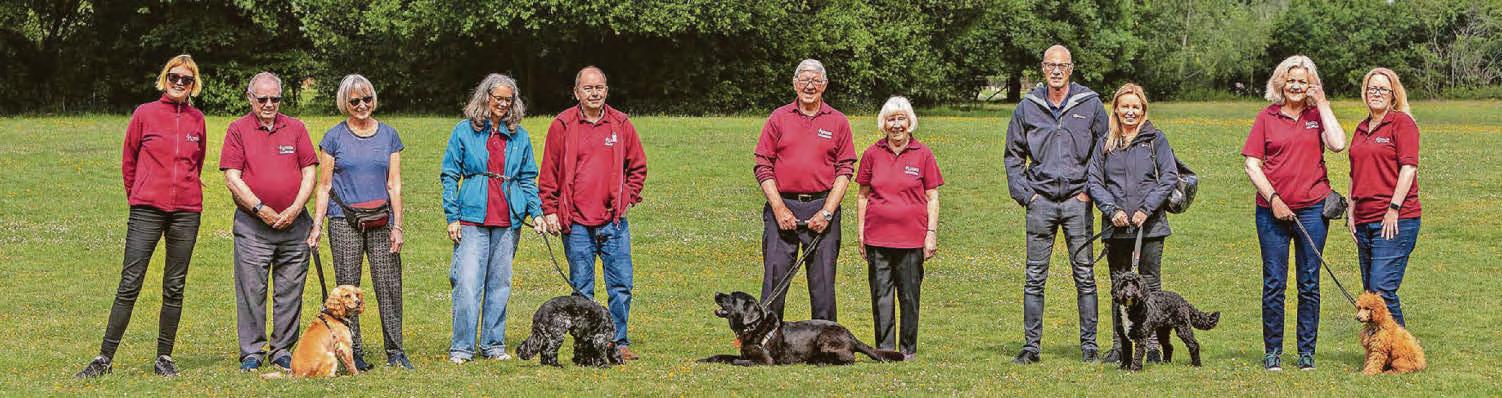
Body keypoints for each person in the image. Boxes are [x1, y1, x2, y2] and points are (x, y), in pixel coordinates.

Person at [76, 54, 207, 378]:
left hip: (186, 212)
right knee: (130, 283)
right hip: (146, 209)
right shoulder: (144, 114)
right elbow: (129, 161)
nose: (179, 83)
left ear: (193, 85)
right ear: (164, 79)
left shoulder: (197, 120)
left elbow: (197, 162)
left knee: (174, 286)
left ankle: (164, 357)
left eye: (186, 80)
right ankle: (104, 358)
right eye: (173, 77)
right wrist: (139, 196)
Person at [1003, 45, 1109, 364]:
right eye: (1051, 65)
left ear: (1072, 68)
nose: (1057, 71)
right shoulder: (1027, 107)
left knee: (1085, 275)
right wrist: (1027, 195)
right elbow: (1012, 155)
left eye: (1062, 65)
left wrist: (1090, 191)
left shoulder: (1089, 104)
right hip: (1041, 201)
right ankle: (1031, 346)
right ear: (1043, 69)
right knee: (1035, 276)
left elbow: (1104, 150)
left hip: (1078, 201)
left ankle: (1089, 345)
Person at [1242, 55, 1346, 371]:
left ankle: (1306, 353)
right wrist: (1273, 198)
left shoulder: (1317, 115)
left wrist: (1323, 103)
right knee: (1274, 282)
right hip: (1271, 211)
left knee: (1309, 282)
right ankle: (1273, 350)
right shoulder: (1267, 117)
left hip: (1313, 209)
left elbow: (1339, 144)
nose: (1296, 86)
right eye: (1291, 81)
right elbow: (1251, 163)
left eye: (1303, 81)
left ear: (1311, 84)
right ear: (1280, 83)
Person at [538, 66, 648, 361]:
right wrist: (549, 209)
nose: (595, 93)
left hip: (613, 222)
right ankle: (586, 345)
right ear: (576, 92)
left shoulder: (621, 124)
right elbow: (548, 173)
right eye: (588, 88)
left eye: (599, 87)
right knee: (582, 290)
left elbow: (638, 167)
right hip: (575, 224)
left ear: (606, 91)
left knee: (621, 286)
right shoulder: (562, 125)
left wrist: (627, 198)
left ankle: (618, 341)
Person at [306, 74, 412, 370]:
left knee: (389, 285)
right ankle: (356, 352)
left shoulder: (389, 135)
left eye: (367, 99)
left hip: (381, 220)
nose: (362, 105)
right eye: (355, 101)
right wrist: (317, 226)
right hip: (344, 222)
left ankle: (396, 351)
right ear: (345, 104)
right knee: (348, 290)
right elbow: (324, 186)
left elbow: (395, 184)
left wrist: (398, 225)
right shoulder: (334, 137)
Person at [440, 73, 545, 364]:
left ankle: (493, 345)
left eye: (507, 100)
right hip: (472, 217)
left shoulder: (519, 136)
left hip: (508, 219)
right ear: (485, 97)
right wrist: (452, 216)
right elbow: (449, 175)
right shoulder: (463, 131)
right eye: (497, 98)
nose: (502, 104)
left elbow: (527, 178)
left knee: (500, 285)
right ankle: (462, 347)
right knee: (468, 282)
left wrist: (535, 213)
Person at [221, 72, 320, 372]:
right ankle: (251, 351)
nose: (268, 104)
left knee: (290, 289)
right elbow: (232, 177)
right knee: (252, 288)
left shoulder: (296, 128)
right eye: (262, 98)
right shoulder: (237, 129)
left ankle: (282, 349)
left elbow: (310, 172)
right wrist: (260, 208)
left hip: (294, 224)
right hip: (253, 226)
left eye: (274, 98)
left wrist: (295, 208)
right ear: (250, 98)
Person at [753, 59, 856, 322]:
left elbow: (845, 170)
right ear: (795, 83)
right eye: (804, 80)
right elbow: (763, 164)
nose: (809, 86)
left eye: (815, 81)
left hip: (822, 207)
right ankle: (767, 343)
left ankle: (827, 346)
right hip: (783, 207)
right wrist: (779, 208)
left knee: (823, 285)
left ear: (825, 85)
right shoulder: (779, 118)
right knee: (774, 281)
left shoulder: (838, 121)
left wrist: (828, 212)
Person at [1085, 83, 1181, 364]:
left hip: (1149, 228)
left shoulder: (1156, 140)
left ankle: (1152, 345)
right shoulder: (1105, 142)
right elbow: (1094, 181)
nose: (1130, 112)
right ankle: (1120, 346)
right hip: (1116, 228)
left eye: (1135, 107)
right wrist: (1111, 209)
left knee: (1149, 287)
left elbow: (1168, 178)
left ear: (1143, 110)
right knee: (1119, 288)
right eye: (1125, 106)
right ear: (1116, 108)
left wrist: (1146, 209)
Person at [855, 96, 942, 360]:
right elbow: (862, 195)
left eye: (901, 119)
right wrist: (861, 233)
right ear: (883, 123)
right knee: (881, 296)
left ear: (910, 122)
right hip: (878, 238)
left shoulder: (923, 154)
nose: (896, 125)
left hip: (912, 239)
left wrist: (931, 233)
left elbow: (933, 197)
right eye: (891, 119)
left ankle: (908, 349)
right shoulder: (872, 154)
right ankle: (885, 350)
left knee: (909, 296)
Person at [1347, 67, 1421, 327]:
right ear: (1365, 93)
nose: (1376, 93)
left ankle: (1404, 353)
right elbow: (1354, 173)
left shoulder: (1402, 123)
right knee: (1370, 294)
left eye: (1383, 89)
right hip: (1365, 218)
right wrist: (1351, 212)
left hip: (1395, 219)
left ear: (1393, 95)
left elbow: (1408, 168)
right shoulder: (1361, 128)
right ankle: (1382, 353)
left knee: (1381, 291)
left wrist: (1394, 208)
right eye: (1372, 88)